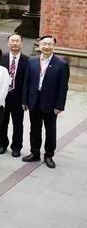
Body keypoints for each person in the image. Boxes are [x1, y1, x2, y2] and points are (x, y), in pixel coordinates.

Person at [22, 35, 69, 169]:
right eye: (44, 44)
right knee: (34, 129)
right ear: (39, 45)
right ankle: (34, 153)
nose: (46, 47)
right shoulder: (32, 61)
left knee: (50, 131)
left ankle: (49, 155)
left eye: (49, 44)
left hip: (51, 103)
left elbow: (63, 87)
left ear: (54, 46)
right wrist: (25, 101)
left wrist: (59, 106)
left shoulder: (61, 64)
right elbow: (26, 82)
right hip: (34, 101)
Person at [0, 34, 28, 157]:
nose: (15, 43)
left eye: (17, 41)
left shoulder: (27, 60)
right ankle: (2, 144)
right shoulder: (1, 58)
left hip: (18, 97)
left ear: (21, 43)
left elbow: (28, 81)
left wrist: (25, 100)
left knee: (18, 124)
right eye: (12, 41)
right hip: (3, 96)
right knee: (2, 122)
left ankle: (16, 147)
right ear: (8, 43)